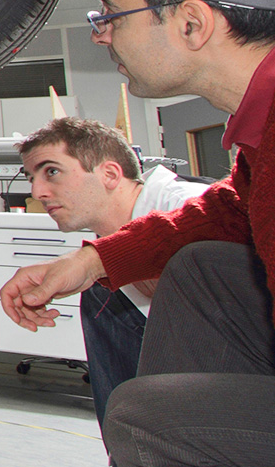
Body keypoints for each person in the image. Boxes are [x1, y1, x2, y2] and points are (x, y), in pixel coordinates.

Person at [0, 0, 275, 467]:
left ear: (191, 23)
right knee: (204, 268)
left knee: (144, 425)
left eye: (111, 18)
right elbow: (228, 210)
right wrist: (92, 262)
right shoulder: (267, 129)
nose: (103, 36)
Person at [17, 117, 208, 426]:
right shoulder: (106, 242)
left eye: (52, 172)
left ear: (109, 174)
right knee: (100, 289)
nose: (38, 191)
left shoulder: (186, 205)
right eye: (31, 177)